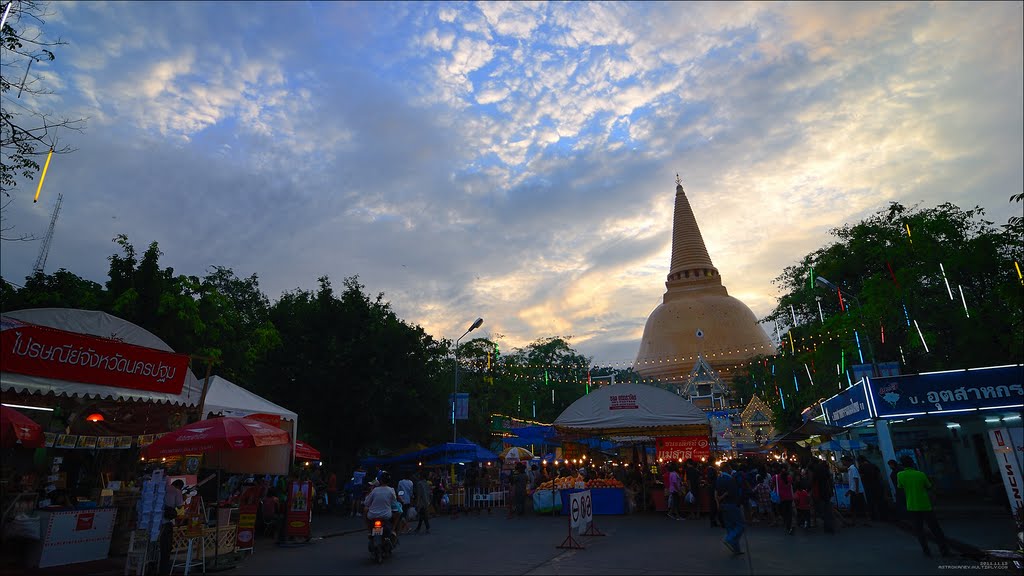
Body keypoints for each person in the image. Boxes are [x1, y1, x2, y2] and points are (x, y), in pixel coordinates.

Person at [897, 456, 951, 557]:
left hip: (912, 505)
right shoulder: (920, 474)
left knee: (919, 530)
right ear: (913, 463)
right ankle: (944, 551)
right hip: (925, 505)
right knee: (935, 529)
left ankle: (926, 551)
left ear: (902, 465)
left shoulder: (900, 475)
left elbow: (900, 487)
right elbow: (929, 486)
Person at [715, 461, 744, 556]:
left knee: (730, 527)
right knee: (740, 525)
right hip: (731, 504)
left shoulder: (718, 478)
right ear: (727, 468)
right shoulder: (730, 479)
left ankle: (736, 548)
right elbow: (733, 492)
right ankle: (729, 539)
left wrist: (718, 503)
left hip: (723, 505)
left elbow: (716, 493)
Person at [363, 471, 398, 546]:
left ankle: (369, 531)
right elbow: (394, 503)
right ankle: (393, 530)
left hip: (372, 515)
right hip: (386, 515)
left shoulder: (375, 490)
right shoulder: (391, 490)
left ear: (380, 481)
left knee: (365, 510)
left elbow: (366, 503)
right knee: (398, 513)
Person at [159, 479, 185, 576]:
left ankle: (155, 565)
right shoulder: (177, 491)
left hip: (157, 521)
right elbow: (179, 506)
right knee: (166, 547)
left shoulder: (164, 488)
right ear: (179, 486)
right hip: (167, 522)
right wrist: (183, 497)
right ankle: (164, 569)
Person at [842, 455, 870, 526]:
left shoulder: (852, 469)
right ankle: (855, 521)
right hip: (854, 490)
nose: (843, 463)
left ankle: (865, 521)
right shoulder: (850, 469)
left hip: (857, 491)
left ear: (847, 461)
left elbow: (856, 479)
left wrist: (856, 490)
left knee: (859, 506)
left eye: (843, 461)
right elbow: (853, 481)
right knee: (855, 506)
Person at [858, 455, 885, 521]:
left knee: (871, 501)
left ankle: (874, 517)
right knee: (879, 501)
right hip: (877, 485)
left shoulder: (861, 467)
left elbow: (861, 476)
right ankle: (883, 516)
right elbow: (879, 475)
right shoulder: (873, 465)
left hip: (868, 486)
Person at [774, 466, 796, 535]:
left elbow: (772, 484)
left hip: (781, 497)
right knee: (789, 511)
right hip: (789, 497)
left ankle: (786, 523)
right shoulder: (789, 478)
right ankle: (789, 524)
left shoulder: (776, 477)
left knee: (783, 511)